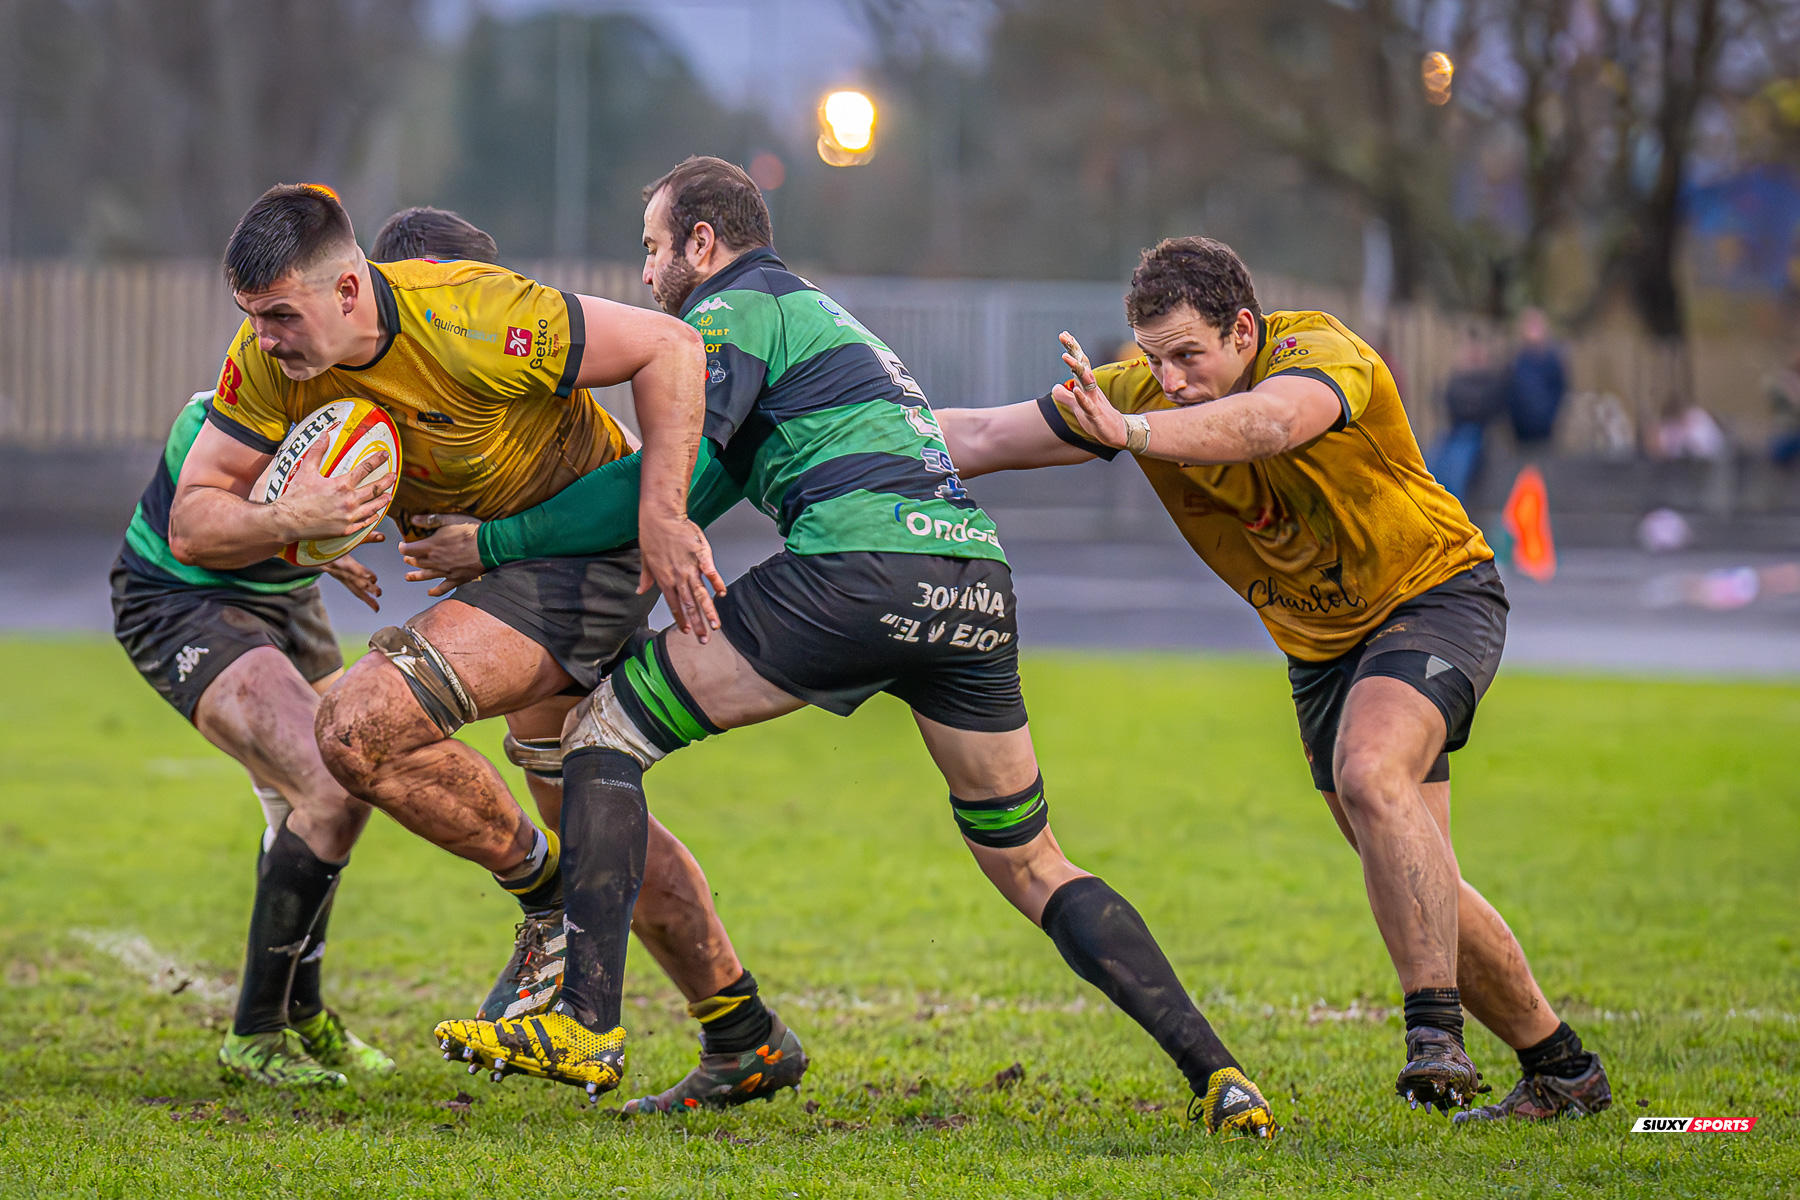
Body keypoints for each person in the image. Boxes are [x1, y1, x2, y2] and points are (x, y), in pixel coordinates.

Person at [427, 157, 1276, 1137]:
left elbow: (657, 488)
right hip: (972, 581)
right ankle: (1219, 1075)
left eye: (655, 249)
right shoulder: (831, 325)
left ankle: (585, 1021)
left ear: (705, 244)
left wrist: (489, 542)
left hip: (857, 571)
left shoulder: (729, 314)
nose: (648, 273)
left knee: (600, 738)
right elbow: (695, 497)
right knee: (1031, 859)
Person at [932, 237, 1612, 1124]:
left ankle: (1433, 1032)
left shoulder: (1317, 351)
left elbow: (1272, 425)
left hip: (1434, 593)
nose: (1168, 380)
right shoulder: (1133, 395)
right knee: (1411, 862)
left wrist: (1131, 431)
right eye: (1152, 360)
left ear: (1243, 329)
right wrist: (832, 436)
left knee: (1373, 774)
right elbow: (981, 434)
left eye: (1188, 355)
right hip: (1321, 647)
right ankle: (1561, 1067)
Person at [162, 183, 719, 1085]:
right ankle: (741, 1027)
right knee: (583, 801)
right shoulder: (269, 356)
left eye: (278, 315)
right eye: (252, 317)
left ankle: (549, 917)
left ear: (347, 291)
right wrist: (294, 518)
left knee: (354, 723)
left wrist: (660, 513)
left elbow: (670, 343)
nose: (263, 337)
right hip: (500, 571)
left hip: (580, 551)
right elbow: (194, 518)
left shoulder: (475, 314)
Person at [1428, 335, 1509, 502]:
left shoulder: (1489, 380)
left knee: (1459, 463)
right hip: (1454, 429)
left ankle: (1453, 506)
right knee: (1432, 459)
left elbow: (1489, 407)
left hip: (1475, 432)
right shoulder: (1456, 378)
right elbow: (1450, 400)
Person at [1508, 308, 1565, 448]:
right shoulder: (1516, 361)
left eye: (1537, 325)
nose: (1534, 330)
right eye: (1530, 325)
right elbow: (1510, 393)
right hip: (1521, 431)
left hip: (1547, 429)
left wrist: (1550, 416)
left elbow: (1559, 389)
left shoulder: (1552, 360)